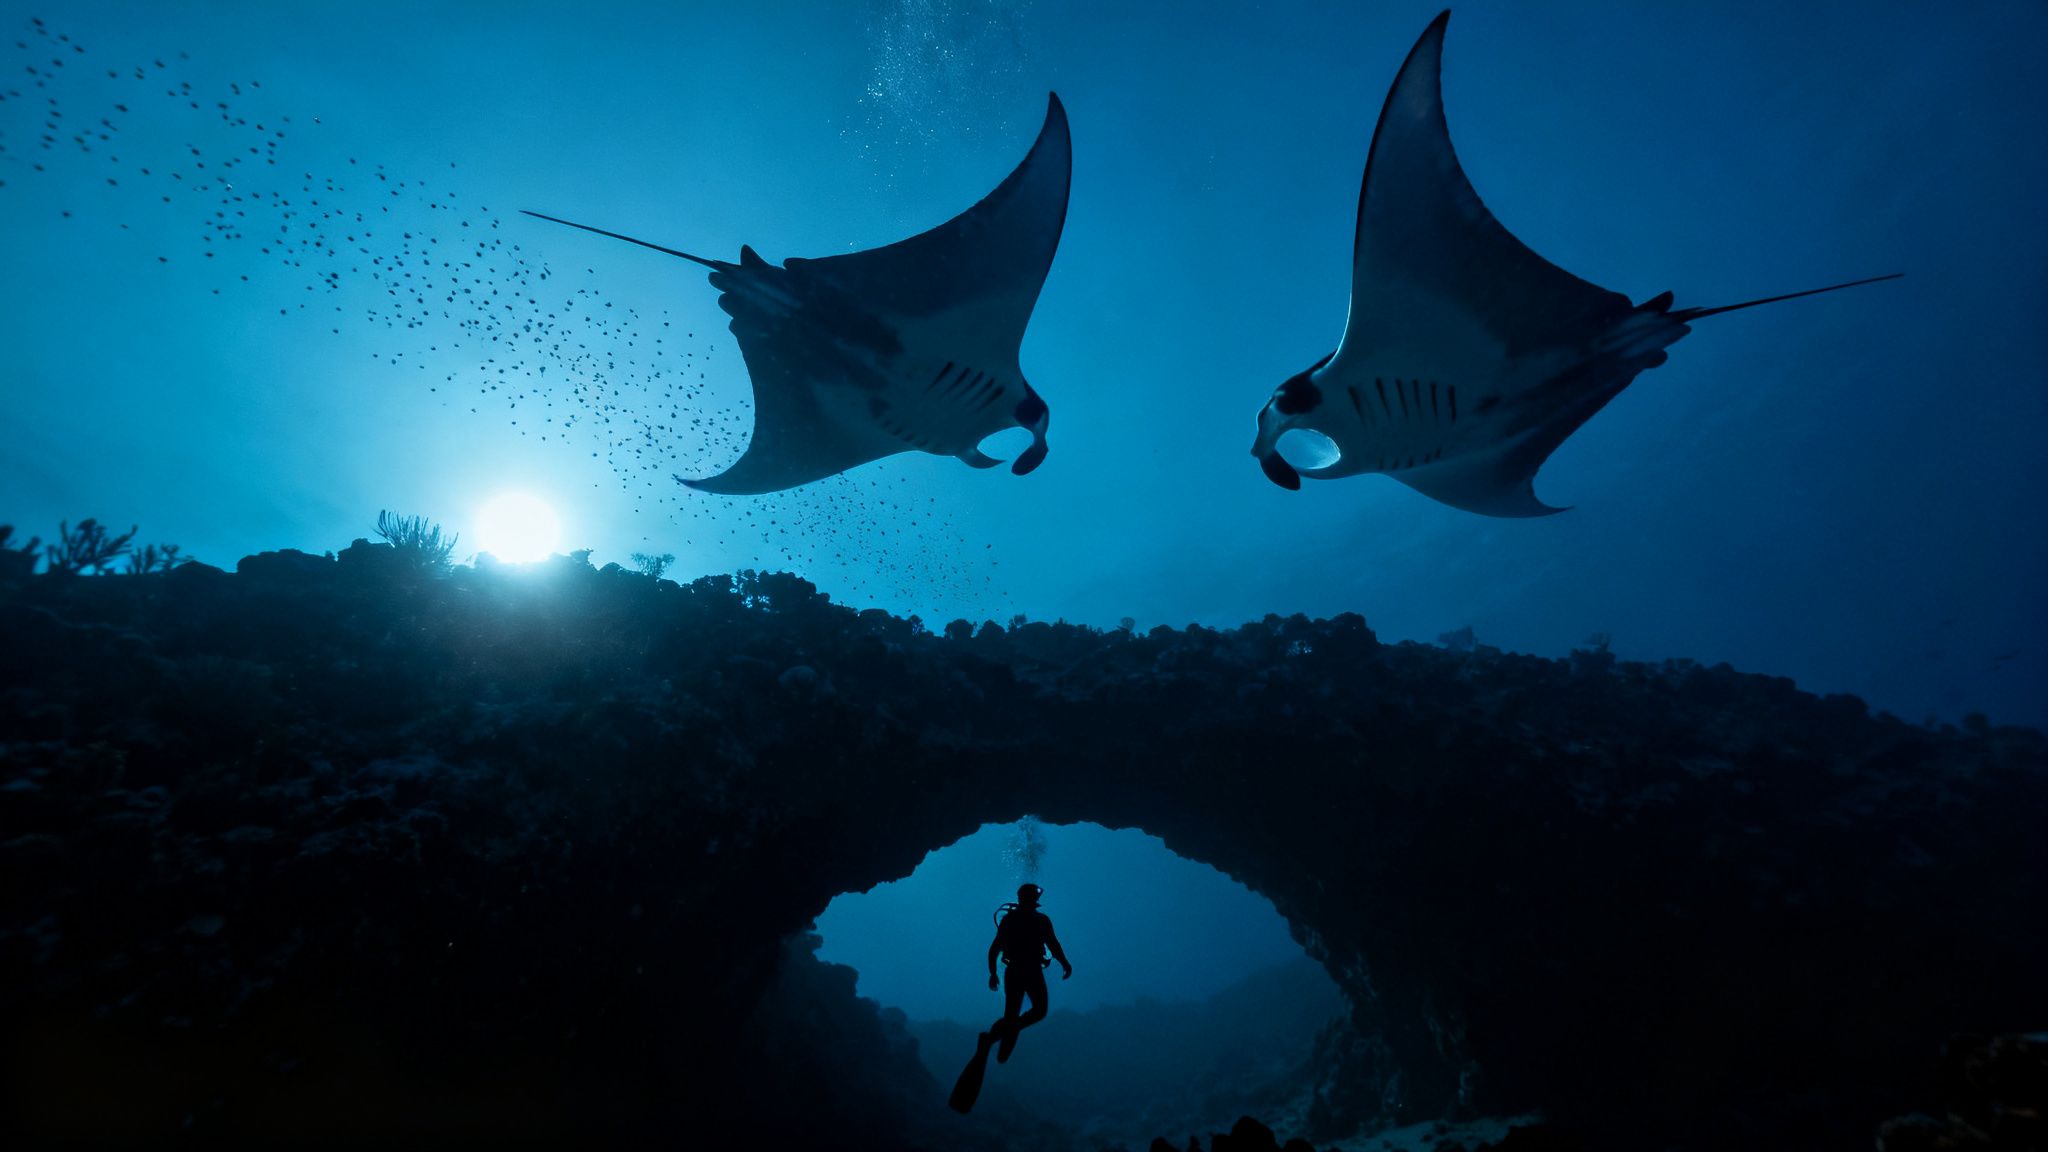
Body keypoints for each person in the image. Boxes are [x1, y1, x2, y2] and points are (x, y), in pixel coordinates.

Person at [984, 883, 1072, 1063]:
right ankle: (1001, 1044)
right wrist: (1064, 963)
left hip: (1019, 971)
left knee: (1017, 1014)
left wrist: (993, 973)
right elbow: (1053, 945)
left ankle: (1001, 1037)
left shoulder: (1016, 920)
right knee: (1035, 1011)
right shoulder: (1038, 920)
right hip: (1028, 970)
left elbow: (995, 949)